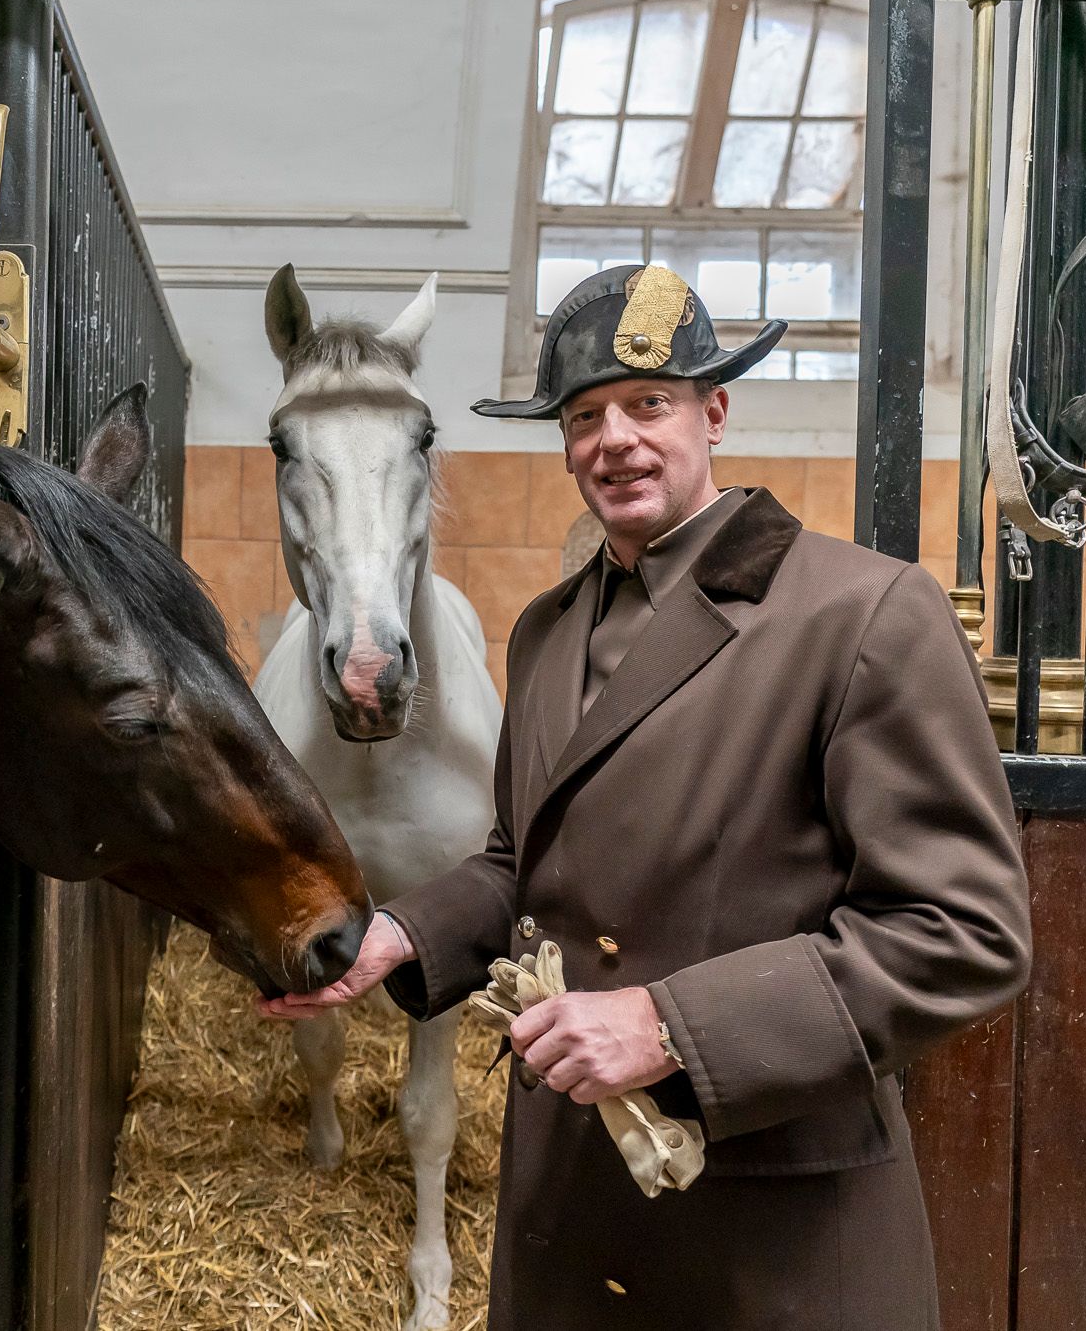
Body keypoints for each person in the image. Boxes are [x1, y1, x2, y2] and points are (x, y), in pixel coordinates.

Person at [263, 263, 1032, 1330]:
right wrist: (402, 934)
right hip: (571, 1213)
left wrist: (671, 1028)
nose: (613, 439)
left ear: (713, 414)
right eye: (582, 417)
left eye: (647, 405)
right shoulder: (543, 632)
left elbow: (962, 932)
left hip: (768, 1229)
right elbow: (522, 861)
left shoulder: (862, 615)